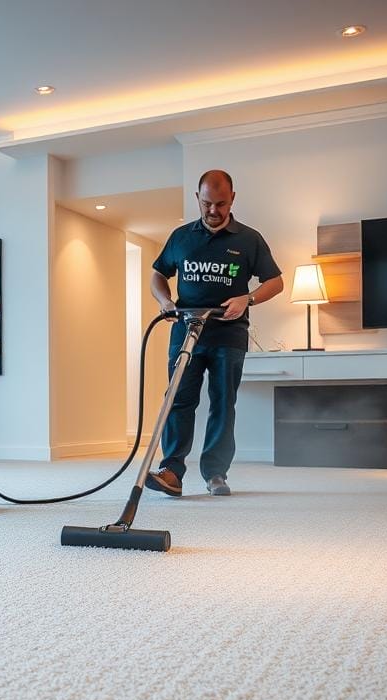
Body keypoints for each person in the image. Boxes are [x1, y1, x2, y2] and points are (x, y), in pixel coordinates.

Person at [146, 169, 284, 497]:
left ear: (232, 199)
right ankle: (172, 471)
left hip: (229, 333)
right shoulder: (181, 237)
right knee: (179, 400)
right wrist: (165, 300)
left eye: (220, 204)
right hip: (186, 330)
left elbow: (276, 282)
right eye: (207, 203)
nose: (213, 210)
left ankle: (215, 474)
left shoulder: (249, 239)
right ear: (197, 199)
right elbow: (157, 275)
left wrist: (246, 298)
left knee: (223, 402)